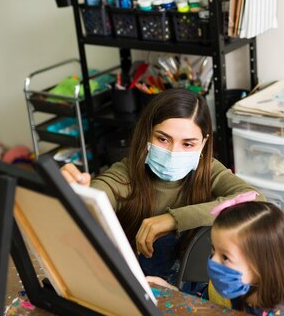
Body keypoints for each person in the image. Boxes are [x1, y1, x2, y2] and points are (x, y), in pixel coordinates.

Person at [61, 88, 262, 285]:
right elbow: (98, 194)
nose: (173, 152)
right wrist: (79, 194)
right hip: (141, 286)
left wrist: (173, 219)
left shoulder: (207, 170)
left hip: (195, 286)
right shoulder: (126, 174)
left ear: (203, 142)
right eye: (163, 139)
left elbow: (255, 200)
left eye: (188, 144)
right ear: (147, 134)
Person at [148, 197, 284, 316]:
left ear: (262, 266)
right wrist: (174, 293)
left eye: (225, 257)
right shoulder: (228, 289)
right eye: (213, 250)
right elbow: (207, 308)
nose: (213, 261)